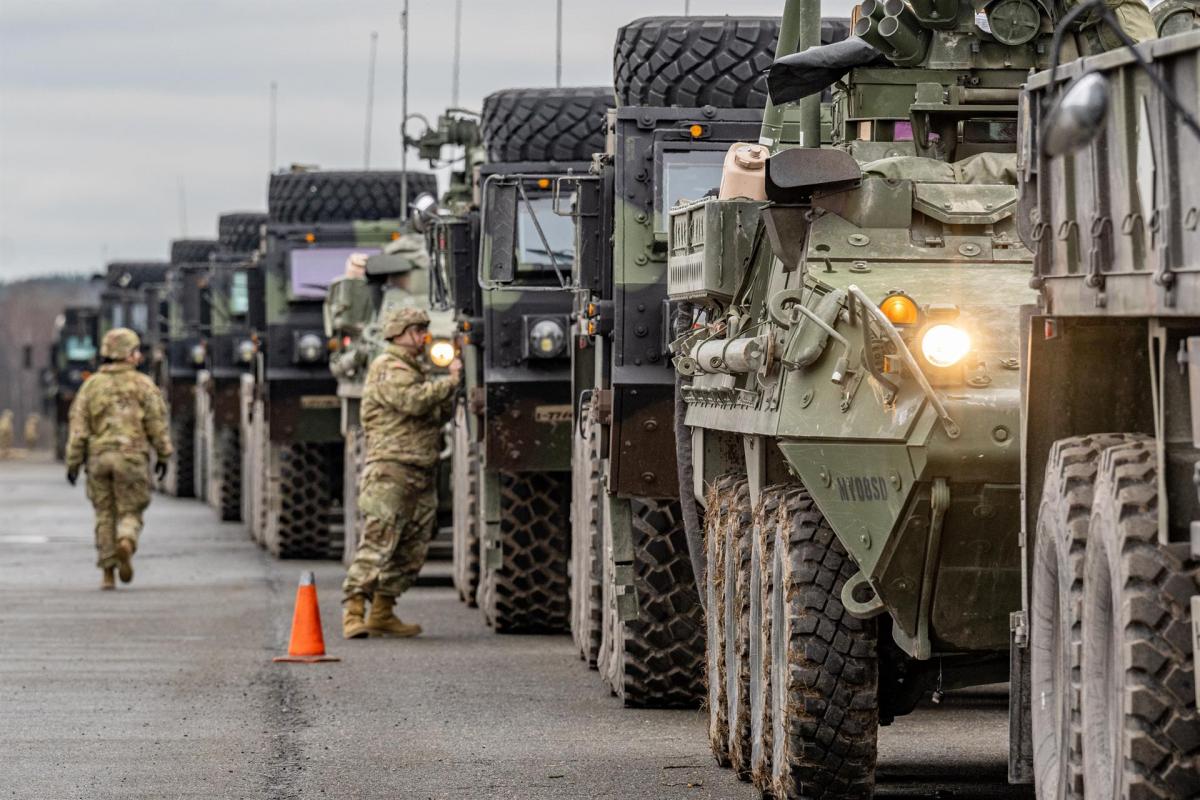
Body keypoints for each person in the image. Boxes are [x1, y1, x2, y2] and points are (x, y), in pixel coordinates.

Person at [342, 307, 462, 638]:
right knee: (379, 541)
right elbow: (413, 401)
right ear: (397, 333)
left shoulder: (416, 369)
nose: (422, 336)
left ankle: (383, 610)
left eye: (424, 329)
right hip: (391, 469)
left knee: (412, 545)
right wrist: (450, 382)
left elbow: (432, 415)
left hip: (420, 470)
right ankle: (354, 611)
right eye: (415, 330)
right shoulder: (388, 367)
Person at [66, 328, 173, 590]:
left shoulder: (90, 386)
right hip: (131, 458)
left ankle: (107, 574)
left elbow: (79, 429)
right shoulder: (143, 385)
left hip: (99, 459)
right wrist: (163, 454)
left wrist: (73, 463)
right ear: (129, 354)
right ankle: (126, 539)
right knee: (131, 510)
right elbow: (157, 424)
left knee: (104, 513)